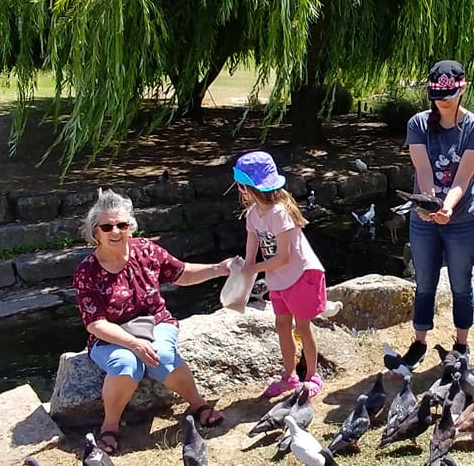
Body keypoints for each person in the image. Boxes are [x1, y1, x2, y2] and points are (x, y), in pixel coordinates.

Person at [74, 189, 234, 454]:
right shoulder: (86, 271)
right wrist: (134, 343)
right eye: (107, 226)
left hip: (156, 321)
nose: (116, 231)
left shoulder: (146, 250)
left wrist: (218, 269)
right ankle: (110, 427)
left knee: (161, 355)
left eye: (122, 225)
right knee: (126, 364)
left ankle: (198, 404)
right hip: (111, 334)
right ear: (96, 232)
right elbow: (95, 323)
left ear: (130, 227)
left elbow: (181, 273)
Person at [399, 59, 474, 369]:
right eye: (437, 96)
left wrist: (447, 208)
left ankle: (461, 344)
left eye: (448, 96)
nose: (442, 102)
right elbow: (423, 170)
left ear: (462, 89)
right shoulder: (418, 124)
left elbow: (463, 178)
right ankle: (419, 341)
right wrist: (429, 206)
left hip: (463, 219)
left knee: (460, 283)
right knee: (424, 281)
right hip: (424, 219)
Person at [233, 151, 327, 397]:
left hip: (301, 276)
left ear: (249, 186)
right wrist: (246, 267)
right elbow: (252, 245)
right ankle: (289, 375)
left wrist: (254, 269)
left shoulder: (280, 213)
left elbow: (284, 257)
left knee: (303, 326)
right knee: (282, 324)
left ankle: (312, 375)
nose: (239, 190)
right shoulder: (253, 214)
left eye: (241, 185)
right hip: (279, 279)